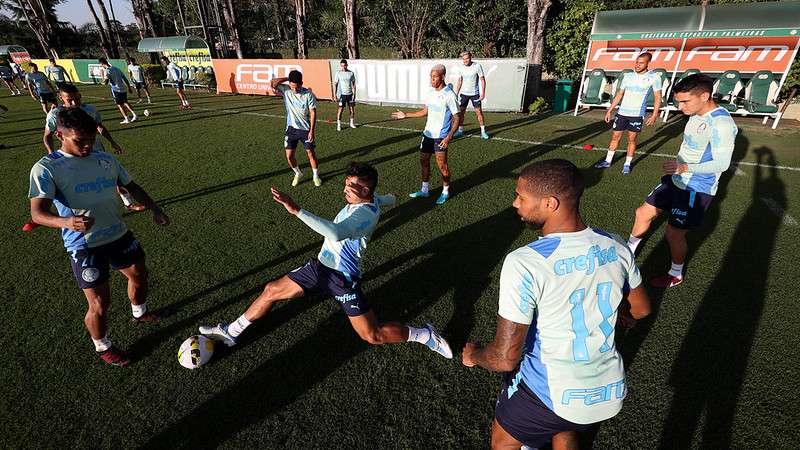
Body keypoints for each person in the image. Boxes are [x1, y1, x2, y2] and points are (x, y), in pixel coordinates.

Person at [462, 159, 651, 450]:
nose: (515, 204)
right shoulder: (616, 245)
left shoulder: (525, 261)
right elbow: (641, 309)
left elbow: (504, 359)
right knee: (564, 428)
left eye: (521, 197)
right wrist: (620, 312)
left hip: (551, 393)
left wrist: (473, 354)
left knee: (504, 443)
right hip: (608, 391)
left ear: (550, 203)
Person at [199, 161, 453, 360]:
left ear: (364, 189)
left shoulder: (364, 215)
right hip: (319, 268)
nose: (345, 190)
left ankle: (424, 335)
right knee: (271, 290)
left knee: (372, 335)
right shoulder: (371, 198)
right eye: (346, 184)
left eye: (350, 186)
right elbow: (383, 198)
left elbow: (334, 232)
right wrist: (391, 198)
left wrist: (296, 209)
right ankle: (231, 333)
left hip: (342, 279)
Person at [28, 108, 170, 366]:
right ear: (60, 135)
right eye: (79, 141)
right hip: (84, 245)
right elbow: (37, 213)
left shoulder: (104, 159)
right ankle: (102, 345)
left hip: (118, 233)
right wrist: (66, 222)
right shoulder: (47, 168)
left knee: (140, 274)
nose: (87, 146)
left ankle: (139, 313)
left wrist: (155, 208)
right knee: (100, 304)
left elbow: (131, 186)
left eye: (91, 140)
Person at [626, 74, 737, 288]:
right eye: (678, 101)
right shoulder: (695, 114)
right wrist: (680, 167)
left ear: (705, 96)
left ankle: (675, 274)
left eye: (685, 101)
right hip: (676, 178)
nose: (680, 106)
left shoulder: (721, 123)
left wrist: (685, 167)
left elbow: (722, 164)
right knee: (643, 213)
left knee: (673, 234)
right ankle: (628, 253)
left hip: (696, 187)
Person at [42, 83, 145, 211]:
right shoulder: (55, 115)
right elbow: (47, 136)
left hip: (97, 151)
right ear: (61, 97)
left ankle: (128, 203)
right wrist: (52, 154)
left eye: (77, 98)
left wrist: (112, 142)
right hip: (73, 156)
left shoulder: (90, 109)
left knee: (115, 176)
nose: (74, 103)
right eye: (70, 100)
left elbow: (100, 127)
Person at [391, 64, 460, 205]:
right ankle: (424, 190)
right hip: (427, 134)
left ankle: (445, 191)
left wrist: (449, 136)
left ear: (442, 77)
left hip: (441, 136)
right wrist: (406, 115)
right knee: (424, 161)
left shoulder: (449, 95)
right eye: (431, 76)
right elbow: (425, 111)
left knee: (442, 165)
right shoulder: (430, 92)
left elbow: (457, 118)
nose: (431, 79)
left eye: (434, 77)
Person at [594, 52, 662, 175]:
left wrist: (654, 115)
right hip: (622, 113)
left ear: (648, 63)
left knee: (631, 139)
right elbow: (619, 94)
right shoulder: (628, 76)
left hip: (636, 115)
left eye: (641, 63)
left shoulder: (654, 77)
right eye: (637, 62)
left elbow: (658, 97)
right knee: (615, 137)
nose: (637, 65)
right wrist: (610, 110)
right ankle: (608, 161)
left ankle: (627, 164)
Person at [270, 70, 322, 187]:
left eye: (297, 87)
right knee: (289, 156)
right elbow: (273, 84)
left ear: (301, 83)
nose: (294, 89)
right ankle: (298, 173)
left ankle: (315, 176)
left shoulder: (308, 95)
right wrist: (287, 78)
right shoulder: (286, 89)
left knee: (311, 153)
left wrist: (312, 131)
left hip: (305, 130)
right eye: (292, 86)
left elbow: (313, 112)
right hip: (291, 129)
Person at [454, 51, 489, 139]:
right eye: (464, 59)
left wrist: (483, 93)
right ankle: (460, 130)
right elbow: (460, 81)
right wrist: (456, 93)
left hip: (475, 94)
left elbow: (482, 80)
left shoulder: (477, 66)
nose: (465, 60)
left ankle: (483, 131)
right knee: (461, 113)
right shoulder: (460, 68)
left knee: (479, 113)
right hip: (464, 94)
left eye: (467, 58)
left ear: (470, 58)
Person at [99, 57, 137, 124]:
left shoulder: (107, 71)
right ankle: (134, 115)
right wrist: (129, 87)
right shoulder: (116, 68)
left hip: (116, 90)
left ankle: (127, 118)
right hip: (123, 88)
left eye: (101, 64)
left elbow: (105, 83)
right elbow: (124, 78)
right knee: (125, 102)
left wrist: (102, 78)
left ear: (102, 64)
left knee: (120, 105)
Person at [334, 59, 357, 131]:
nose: (343, 67)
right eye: (342, 66)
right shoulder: (338, 73)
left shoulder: (351, 73)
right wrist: (335, 94)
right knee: (340, 110)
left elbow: (354, 84)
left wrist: (354, 94)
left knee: (352, 110)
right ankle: (339, 125)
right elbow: (336, 84)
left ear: (347, 65)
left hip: (350, 95)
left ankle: (351, 123)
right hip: (343, 95)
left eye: (344, 65)